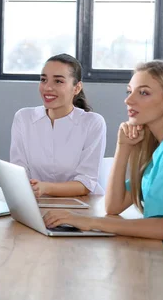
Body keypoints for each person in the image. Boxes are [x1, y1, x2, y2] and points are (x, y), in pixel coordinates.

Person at [43, 61, 163, 300]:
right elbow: (114, 205)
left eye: (143, 93)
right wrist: (123, 147)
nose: (129, 101)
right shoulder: (161, 150)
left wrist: (91, 223)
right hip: (158, 266)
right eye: (130, 91)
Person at [10, 54, 107, 196]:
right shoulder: (23, 118)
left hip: (84, 206)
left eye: (58, 81)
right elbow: (18, 173)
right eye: (43, 80)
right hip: (36, 203)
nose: (47, 87)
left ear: (77, 88)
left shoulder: (93, 123)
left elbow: (86, 183)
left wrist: (45, 188)